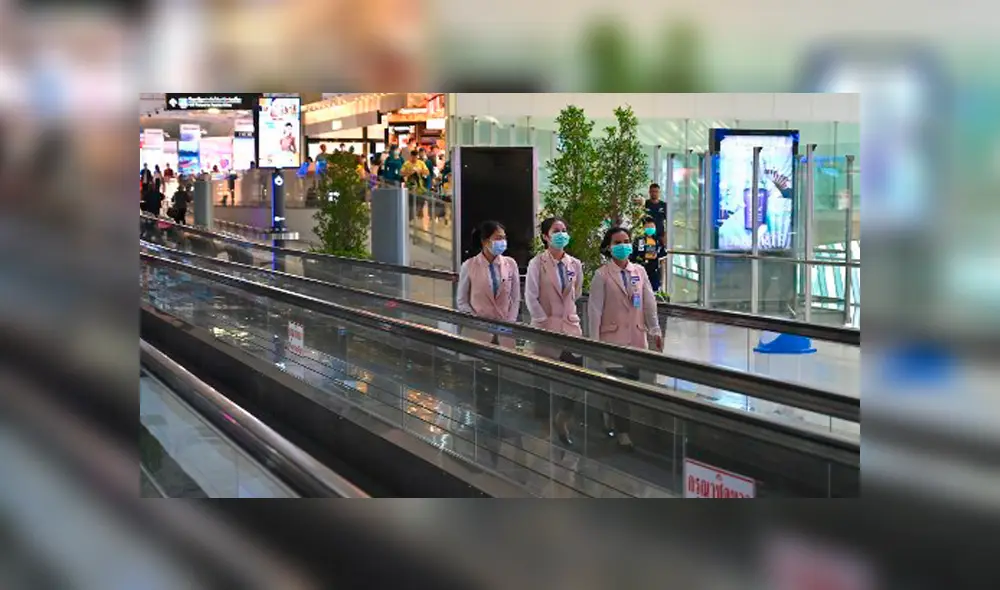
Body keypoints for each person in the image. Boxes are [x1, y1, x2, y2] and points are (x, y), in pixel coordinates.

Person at [587, 226, 663, 451]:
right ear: (609, 248)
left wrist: (655, 329)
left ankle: (609, 412)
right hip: (612, 339)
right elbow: (594, 310)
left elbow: (649, 303)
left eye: (626, 240)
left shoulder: (639, 271)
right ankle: (624, 434)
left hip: (636, 338)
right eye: (617, 242)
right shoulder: (602, 275)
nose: (623, 245)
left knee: (629, 386)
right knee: (620, 390)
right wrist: (594, 343)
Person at [456, 221, 521, 464]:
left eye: (504, 236)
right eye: (497, 237)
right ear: (485, 241)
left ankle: (493, 423)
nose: (502, 241)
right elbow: (462, 300)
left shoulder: (510, 264)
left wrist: (510, 322)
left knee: (499, 380)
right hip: (479, 332)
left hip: (503, 331)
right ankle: (484, 425)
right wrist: (477, 320)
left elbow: (515, 298)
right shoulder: (470, 266)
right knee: (482, 381)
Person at [525, 217, 584, 446]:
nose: (561, 234)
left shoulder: (575, 264)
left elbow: (575, 293)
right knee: (543, 380)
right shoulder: (536, 264)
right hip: (545, 329)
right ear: (545, 237)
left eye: (564, 230)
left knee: (577, 378)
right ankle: (544, 428)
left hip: (570, 328)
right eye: (555, 231)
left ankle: (563, 419)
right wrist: (543, 321)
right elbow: (531, 296)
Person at [631, 217, 667, 293]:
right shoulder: (640, 239)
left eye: (652, 227)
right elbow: (637, 253)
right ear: (644, 228)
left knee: (653, 289)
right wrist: (647, 253)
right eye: (648, 227)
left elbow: (663, 252)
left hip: (654, 269)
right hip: (640, 268)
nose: (650, 229)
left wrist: (657, 255)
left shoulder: (657, 240)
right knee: (637, 290)